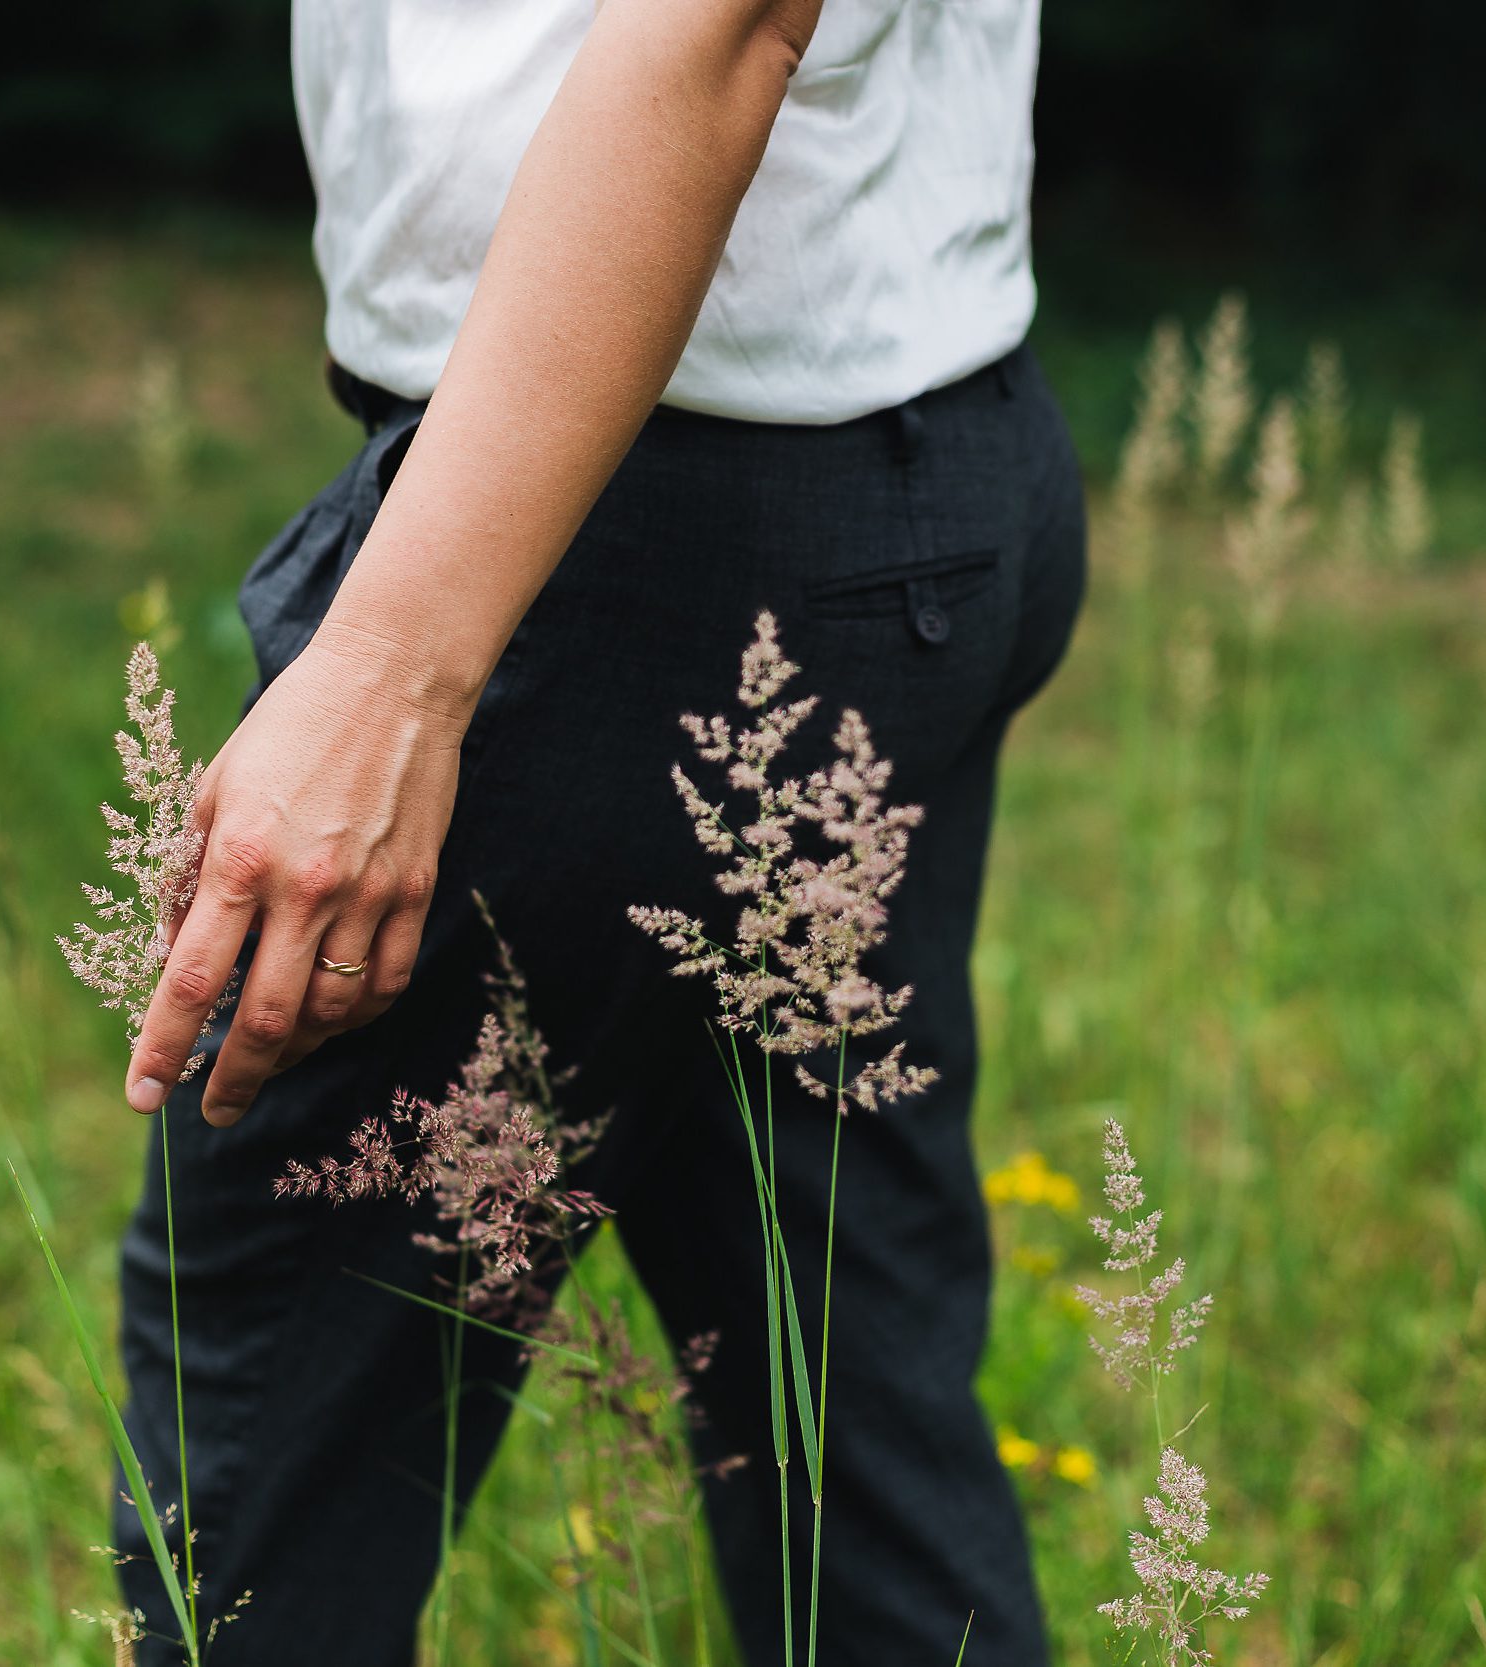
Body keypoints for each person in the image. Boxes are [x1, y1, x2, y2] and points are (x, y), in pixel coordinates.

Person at [112, 1, 1084, 1661]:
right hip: (888, 487)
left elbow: (722, 27)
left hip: (643, 543)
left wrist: (394, 668)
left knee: (271, 1476)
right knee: (845, 1405)